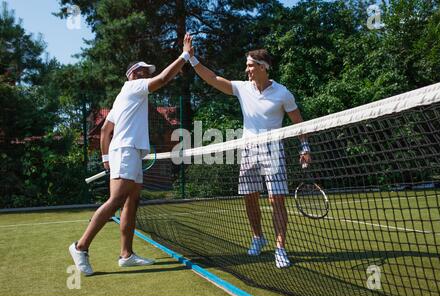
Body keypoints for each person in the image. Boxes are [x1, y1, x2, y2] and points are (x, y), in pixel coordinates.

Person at [69, 34, 194, 276]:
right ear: (134, 74)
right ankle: (80, 246)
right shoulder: (134, 87)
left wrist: (106, 159)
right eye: (143, 71)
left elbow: (106, 129)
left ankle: (126, 255)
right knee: (116, 200)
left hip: (128, 151)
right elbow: (163, 78)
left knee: (131, 201)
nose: (146, 75)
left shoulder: (122, 98)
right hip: (126, 150)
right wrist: (184, 56)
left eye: (147, 72)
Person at [187, 48, 311, 268]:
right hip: (248, 150)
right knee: (249, 197)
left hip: (273, 150)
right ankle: (258, 237)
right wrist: (191, 58)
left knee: (276, 199)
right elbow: (213, 78)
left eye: (251, 66)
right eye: (247, 66)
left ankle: (280, 248)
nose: (247, 70)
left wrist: (305, 147)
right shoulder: (243, 88)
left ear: (263, 67)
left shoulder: (283, 93)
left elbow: (299, 122)